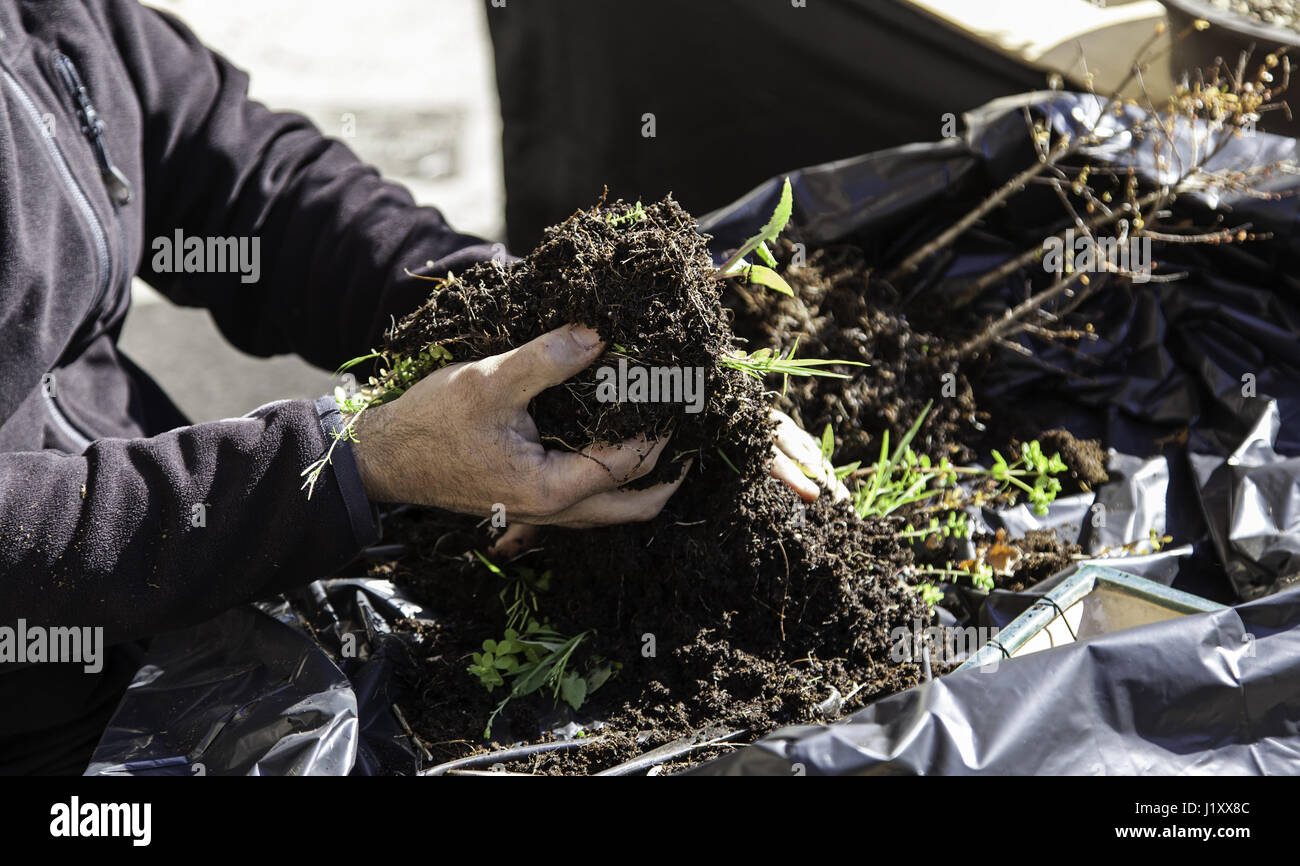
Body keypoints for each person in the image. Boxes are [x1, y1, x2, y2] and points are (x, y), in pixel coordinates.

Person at [0, 0, 838, 774]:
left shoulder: (45, 20)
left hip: (188, 582)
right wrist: (356, 464)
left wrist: (518, 330)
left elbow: (257, 189)